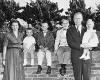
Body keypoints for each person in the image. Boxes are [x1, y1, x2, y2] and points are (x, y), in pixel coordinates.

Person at [67, 12, 90, 80]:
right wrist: (81, 45)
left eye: (79, 18)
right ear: (73, 19)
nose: (77, 20)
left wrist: (92, 46)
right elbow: (70, 42)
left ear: (82, 19)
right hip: (76, 56)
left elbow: (92, 41)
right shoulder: (69, 30)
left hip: (86, 56)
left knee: (87, 76)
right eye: (76, 18)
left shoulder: (87, 29)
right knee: (77, 76)